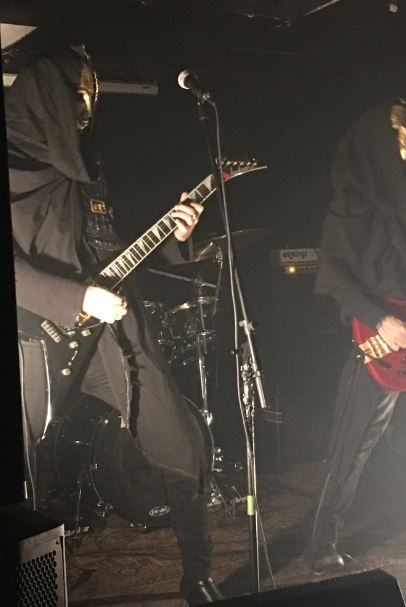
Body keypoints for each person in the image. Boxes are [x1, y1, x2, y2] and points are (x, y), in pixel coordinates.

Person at [6, 45, 223, 605]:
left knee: (179, 438)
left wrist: (177, 238)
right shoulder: (11, 160)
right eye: (75, 96)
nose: (86, 109)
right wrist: (77, 296)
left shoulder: (89, 165)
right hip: (37, 337)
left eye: (91, 97)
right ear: (43, 98)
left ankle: (197, 576)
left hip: (113, 333)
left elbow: (115, 245)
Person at [308, 97, 406, 574]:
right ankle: (321, 541)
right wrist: (379, 319)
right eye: (401, 141)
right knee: (355, 442)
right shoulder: (352, 204)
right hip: (380, 334)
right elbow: (335, 273)